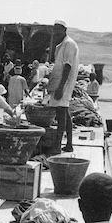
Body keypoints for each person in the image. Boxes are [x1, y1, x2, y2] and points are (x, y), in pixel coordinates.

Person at [47, 19, 80, 153]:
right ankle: (69, 145)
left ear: (64, 30)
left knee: (60, 113)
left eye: (58, 29)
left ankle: (57, 146)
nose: (55, 32)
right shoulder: (60, 45)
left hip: (64, 83)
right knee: (64, 112)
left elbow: (68, 66)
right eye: (54, 29)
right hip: (60, 82)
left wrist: (60, 87)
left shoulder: (69, 44)